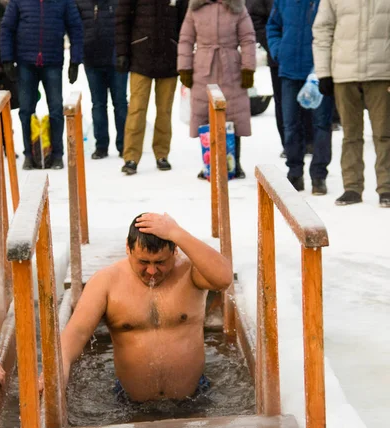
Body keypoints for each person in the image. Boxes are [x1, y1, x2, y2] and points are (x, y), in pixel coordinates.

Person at [58, 213, 232, 402]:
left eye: (160, 263)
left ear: (175, 252)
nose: (151, 271)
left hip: (194, 397)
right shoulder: (106, 282)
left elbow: (223, 279)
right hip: (129, 403)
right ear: (128, 248)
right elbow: (77, 332)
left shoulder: (190, 273)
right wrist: (58, 370)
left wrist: (177, 233)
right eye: (143, 262)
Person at [313, 0, 390, 207]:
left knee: (385, 134)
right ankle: (352, 187)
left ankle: (387, 187)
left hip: (381, 73)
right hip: (344, 74)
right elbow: (322, 30)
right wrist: (324, 73)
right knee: (351, 135)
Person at [0, 0, 83, 170]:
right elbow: (7, 28)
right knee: (26, 111)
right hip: (25, 63)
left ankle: (57, 155)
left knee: (55, 109)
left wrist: (75, 61)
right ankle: (29, 155)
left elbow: (75, 28)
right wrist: (7, 59)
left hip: (52, 61)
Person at [178, 0, 256, 179]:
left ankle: (234, 162)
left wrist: (248, 68)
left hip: (232, 68)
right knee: (205, 116)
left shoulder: (237, 6)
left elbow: (248, 38)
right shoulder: (195, 7)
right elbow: (186, 39)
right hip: (203, 68)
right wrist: (185, 68)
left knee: (234, 115)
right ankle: (208, 163)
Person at [267, 0, 333, 195]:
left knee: (321, 124)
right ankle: (294, 172)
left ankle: (319, 176)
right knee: (290, 124)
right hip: (289, 70)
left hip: (318, 71)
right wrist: (278, 50)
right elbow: (273, 26)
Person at [115, 0, 188, 176]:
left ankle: (162, 154)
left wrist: (183, 54)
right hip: (140, 56)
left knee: (164, 111)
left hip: (169, 56)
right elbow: (122, 19)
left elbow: (185, 22)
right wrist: (122, 52)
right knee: (137, 109)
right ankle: (131, 157)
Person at [245, 0, 313, 159]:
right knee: (284, 103)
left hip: (312, 57)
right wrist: (276, 48)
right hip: (281, 58)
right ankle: (289, 145)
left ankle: (311, 140)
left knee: (312, 100)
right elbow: (255, 17)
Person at [76, 0, 128, 160]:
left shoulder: (118, 2)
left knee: (120, 103)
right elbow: (75, 28)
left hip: (116, 60)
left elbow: (125, 27)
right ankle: (101, 146)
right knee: (98, 104)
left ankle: (124, 144)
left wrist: (123, 53)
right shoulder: (80, 3)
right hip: (92, 61)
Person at [0, 0, 19, 159]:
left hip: (0, 68)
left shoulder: (2, 11)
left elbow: (8, 35)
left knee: (2, 110)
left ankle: (7, 145)